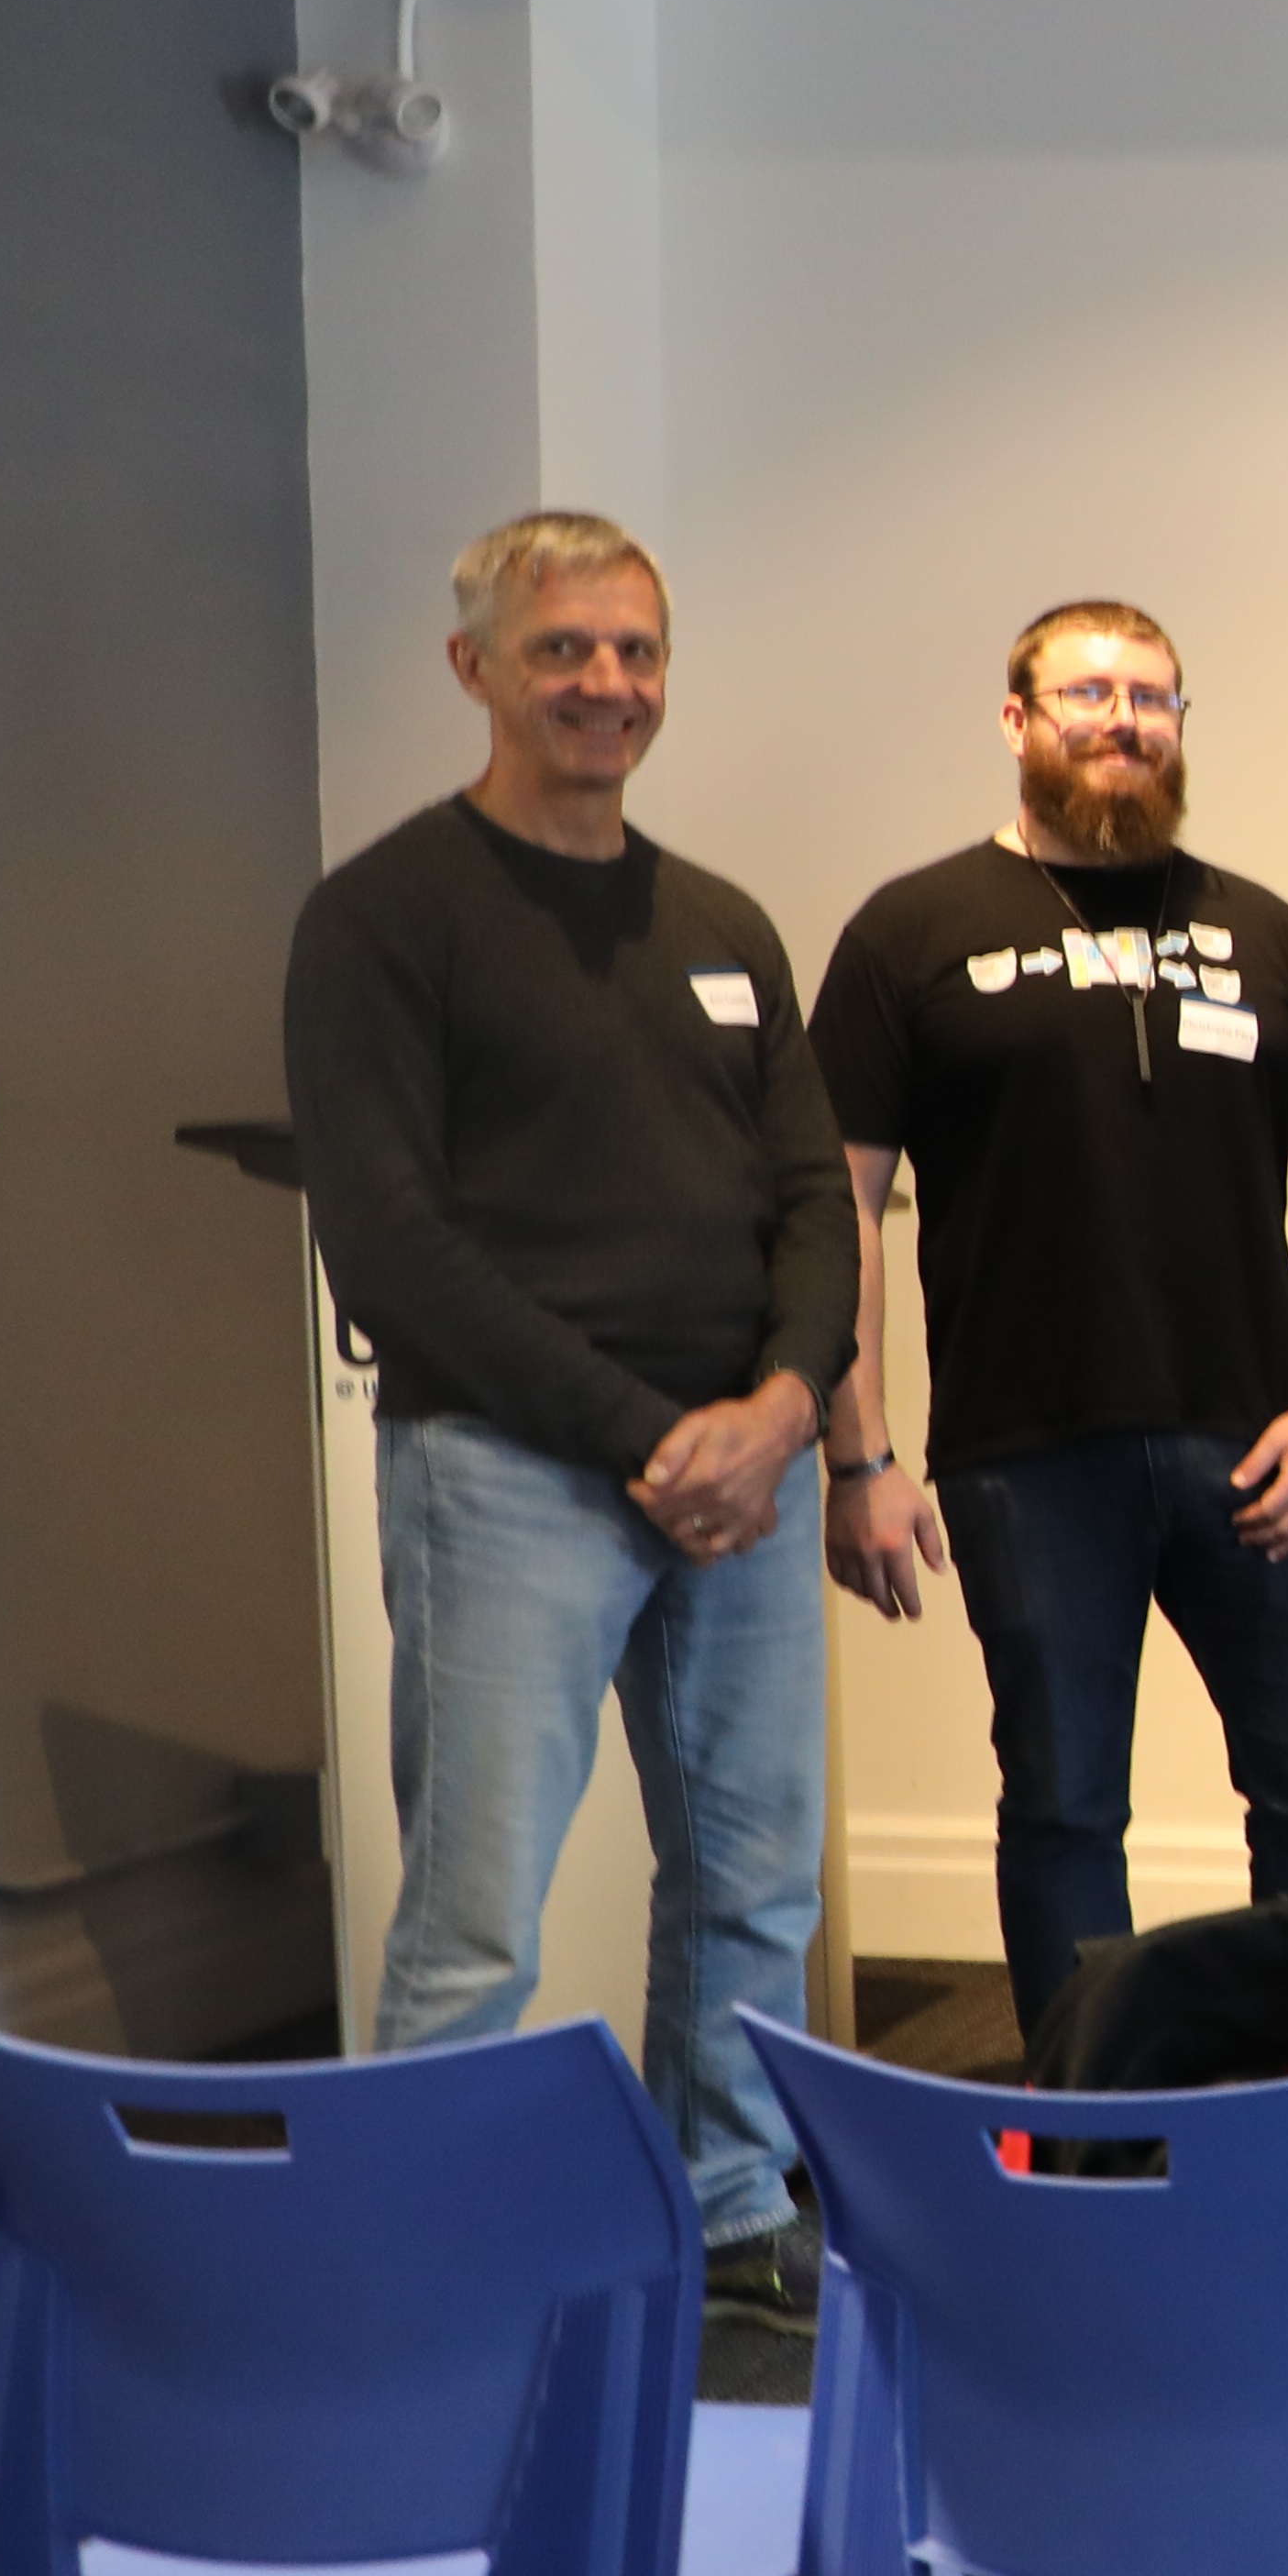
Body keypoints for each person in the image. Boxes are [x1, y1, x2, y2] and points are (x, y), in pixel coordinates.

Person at [287, 511, 849, 2325]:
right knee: (474, 1907)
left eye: (635, 651)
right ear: (476, 669)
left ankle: (731, 2190)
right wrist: (643, 1430)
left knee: (755, 1870)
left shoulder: (722, 922)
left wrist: (775, 1411)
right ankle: (420, 2251)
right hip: (508, 1467)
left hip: (742, 1470)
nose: (608, 683)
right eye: (565, 650)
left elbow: (818, 1202)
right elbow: (390, 1239)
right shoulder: (384, 917)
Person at [820, 603, 1288, 2040]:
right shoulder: (913, 932)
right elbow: (838, 1209)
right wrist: (859, 1455)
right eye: (1088, 692)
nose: (1124, 719)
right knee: (1067, 1809)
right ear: (1017, 720)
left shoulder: (1259, 928)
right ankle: (1097, 2125)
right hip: (1028, 1452)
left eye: (1153, 697)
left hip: (1265, 1441)